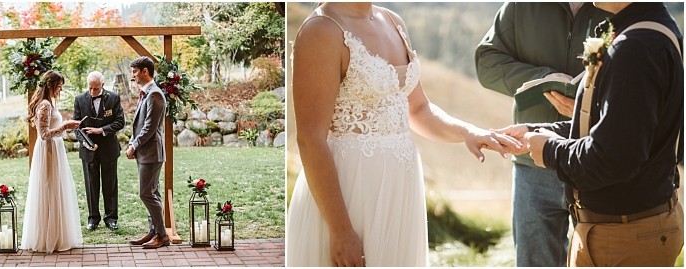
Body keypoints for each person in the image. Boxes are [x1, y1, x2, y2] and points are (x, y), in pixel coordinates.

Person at [286, 3, 521, 266]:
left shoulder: (392, 21)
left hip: (400, 189)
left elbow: (418, 109)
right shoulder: (321, 30)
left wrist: (469, 132)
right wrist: (341, 230)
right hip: (350, 192)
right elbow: (310, 138)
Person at [496, 2, 683, 266]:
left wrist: (548, 151)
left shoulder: (634, 49)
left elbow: (611, 158)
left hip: (623, 238)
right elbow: (616, 128)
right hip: (630, 229)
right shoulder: (652, 29)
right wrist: (535, 131)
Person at [474, 3, 611, 266]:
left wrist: (590, 102)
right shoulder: (521, 5)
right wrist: (542, 78)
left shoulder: (617, 6)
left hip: (597, 159)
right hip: (533, 163)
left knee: (602, 260)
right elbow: (487, 63)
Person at [21, 70, 84, 253]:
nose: (60, 90)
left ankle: (57, 235)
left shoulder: (49, 103)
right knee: (49, 189)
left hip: (54, 149)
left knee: (56, 189)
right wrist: (65, 126)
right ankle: (47, 237)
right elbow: (44, 134)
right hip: (48, 151)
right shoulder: (45, 105)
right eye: (59, 86)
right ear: (50, 85)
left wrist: (66, 126)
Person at [126, 56, 170, 249]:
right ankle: (154, 231)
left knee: (146, 194)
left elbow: (150, 127)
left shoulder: (155, 95)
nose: (133, 76)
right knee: (153, 193)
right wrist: (132, 142)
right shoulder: (146, 93)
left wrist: (134, 145)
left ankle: (162, 235)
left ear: (145, 71)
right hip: (145, 153)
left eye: (135, 72)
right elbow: (139, 124)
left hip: (152, 153)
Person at [74, 71, 125, 231]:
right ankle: (93, 218)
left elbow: (120, 122)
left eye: (96, 88)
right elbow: (76, 127)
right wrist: (84, 142)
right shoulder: (79, 99)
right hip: (88, 150)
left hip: (109, 149)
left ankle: (111, 218)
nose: (92, 91)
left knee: (110, 185)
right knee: (91, 185)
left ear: (102, 85)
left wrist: (101, 130)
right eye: (90, 88)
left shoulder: (113, 98)